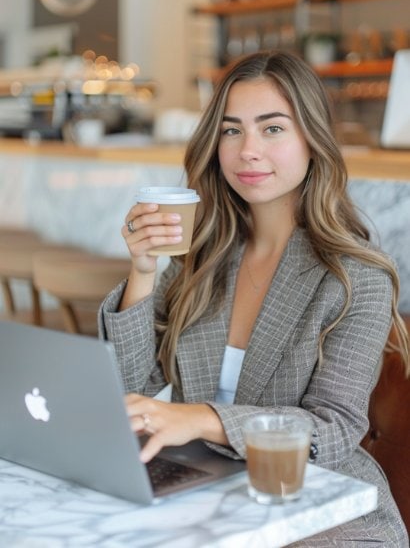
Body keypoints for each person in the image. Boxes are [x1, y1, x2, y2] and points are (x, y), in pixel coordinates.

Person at [99, 50, 409, 545]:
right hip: (207, 491)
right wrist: (143, 271)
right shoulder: (204, 258)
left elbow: (332, 429)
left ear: (312, 138)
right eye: (231, 130)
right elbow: (128, 381)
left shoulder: (357, 277)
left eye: (272, 128)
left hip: (318, 509)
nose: (247, 150)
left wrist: (198, 418)